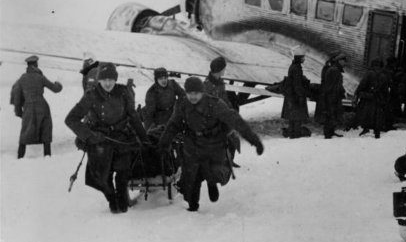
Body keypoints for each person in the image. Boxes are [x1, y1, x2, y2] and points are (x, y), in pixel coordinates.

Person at [157, 77, 264, 212]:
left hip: (213, 144)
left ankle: (211, 182)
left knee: (214, 171)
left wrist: (254, 140)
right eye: (190, 93)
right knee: (190, 177)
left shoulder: (215, 104)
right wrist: (163, 144)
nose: (193, 96)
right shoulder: (182, 104)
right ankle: (193, 207)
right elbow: (173, 125)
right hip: (192, 144)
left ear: (202, 92)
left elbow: (235, 120)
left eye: (196, 93)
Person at [65, 62, 149, 214]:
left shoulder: (123, 92)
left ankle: (122, 202)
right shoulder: (91, 96)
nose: (108, 83)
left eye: (111, 79)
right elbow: (71, 119)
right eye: (104, 80)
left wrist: (144, 138)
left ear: (116, 79)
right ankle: (112, 199)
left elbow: (133, 116)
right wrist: (90, 135)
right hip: (100, 141)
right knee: (102, 177)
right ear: (99, 80)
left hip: (121, 138)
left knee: (123, 172)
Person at [11, 55, 63, 158]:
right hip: (42, 106)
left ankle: (20, 156)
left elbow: (16, 95)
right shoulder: (40, 77)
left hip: (28, 107)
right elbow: (56, 89)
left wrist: (18, 111)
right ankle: (47, 155)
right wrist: (59, 82)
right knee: (45, 129)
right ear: (36, 65)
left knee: (25, 130)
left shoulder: (22, 78)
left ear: (28, 66)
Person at [204, 56, 242, 164]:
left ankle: (229, 160)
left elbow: (224, 99)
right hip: (211, 121)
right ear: (219, 70)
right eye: (224, 69)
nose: (225, 71)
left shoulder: (220, 82)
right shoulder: (207, 85)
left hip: (221, 117)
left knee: (233, 137)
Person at [354, 58, 389, 138]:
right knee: (377, 116)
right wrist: (385, 100)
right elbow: (385, 90)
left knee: (366, 114)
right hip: (378, 99)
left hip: (368, 98)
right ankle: (377, 132)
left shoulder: (369, 73)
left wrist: (357, 93)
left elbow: (362, 85)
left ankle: (366, 129)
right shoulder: (383, 76)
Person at [281, 48, 311, 139]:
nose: (304, 59)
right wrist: (301, 96)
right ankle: (296, 134)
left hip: (291, 96)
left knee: (293, 117)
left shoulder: (293, 66)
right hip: (295, 96)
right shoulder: (297, 68)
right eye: (303, 57)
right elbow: (297, 84)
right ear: (299, 58)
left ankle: (292, 132)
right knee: (298, 116)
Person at [320, 52, 347, 139]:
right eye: (343, 61)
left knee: (332, 114)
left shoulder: (335, 69)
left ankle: (330, 132)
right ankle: (327, 134)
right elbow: (330, 85)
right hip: (332, 96)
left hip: (333, 95)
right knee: (330, 114)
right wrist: (333, 95)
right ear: (339, 61)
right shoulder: (334, 70)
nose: (345, 63)